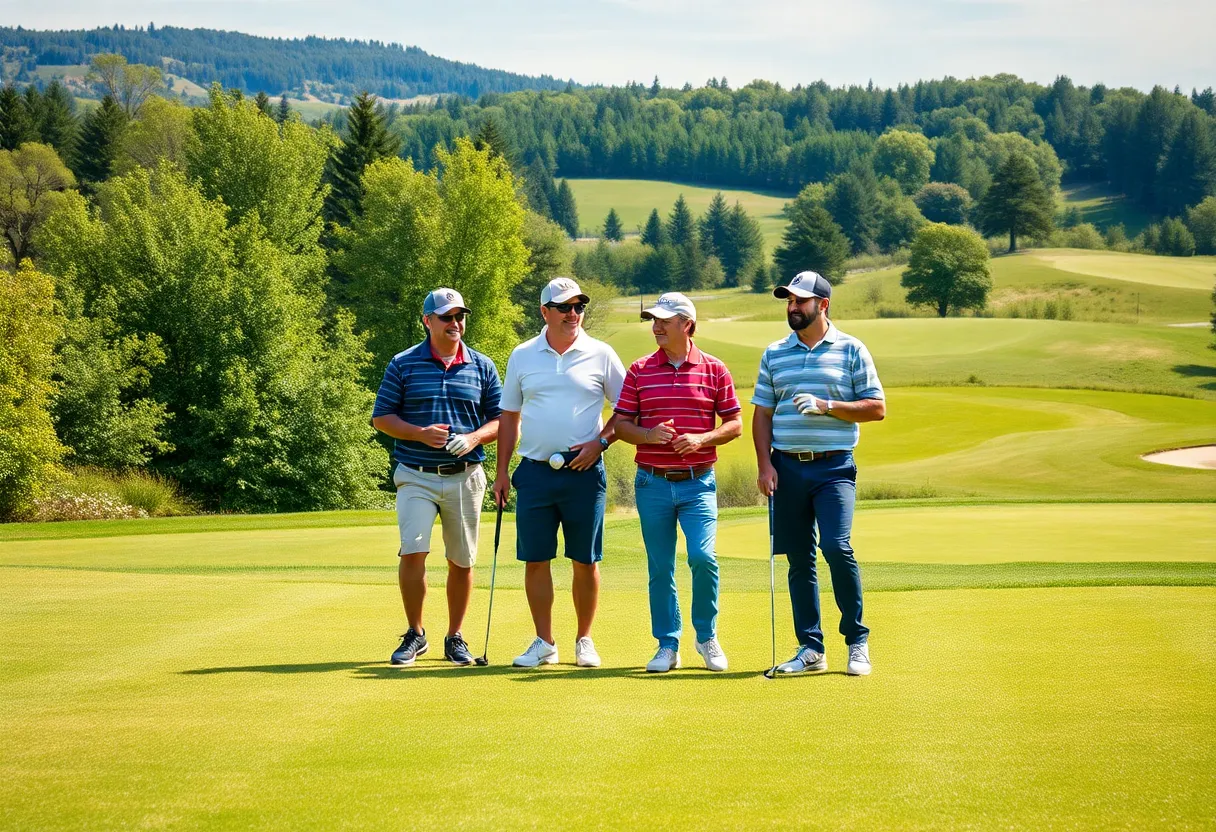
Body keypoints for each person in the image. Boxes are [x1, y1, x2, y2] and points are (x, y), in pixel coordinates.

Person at [751, 271, 886, 676]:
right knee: (799, 558)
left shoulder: (851, 349)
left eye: (800, 301)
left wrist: (828, 406)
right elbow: (762, 414)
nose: (792, 307)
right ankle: (811, 648)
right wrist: (764, 464)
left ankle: (857, 641)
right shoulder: (774, 353)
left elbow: (877, 407)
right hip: (787, 468)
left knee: (836, 546)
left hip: (834, 467)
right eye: (789, 301)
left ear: (822, 305)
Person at [493, 277, 626, 669]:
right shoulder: (522, 354)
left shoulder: (601, 353)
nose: (573, 314)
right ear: (544, 311)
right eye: (565, 307)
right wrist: (502, 472)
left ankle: (584, 640)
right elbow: (509, 415)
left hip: (584, 473)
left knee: (585, 560)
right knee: (536, 560)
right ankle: (544, 641)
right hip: (534, 472)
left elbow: (626, 408)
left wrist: (600, 442)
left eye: (579, 307)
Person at [372, 288, 502, 668]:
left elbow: (503, 420)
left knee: (461, 560)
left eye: (460, 316)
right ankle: (415, 633)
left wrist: (475, 437)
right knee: (413, 550)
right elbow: (382, 417)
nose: (455, 324)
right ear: (427, 321)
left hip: (466, 475)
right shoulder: (403, 364)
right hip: (415, 473)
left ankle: (455, 637)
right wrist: (420, 433)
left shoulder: (482, 366)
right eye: (446, 317)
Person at [613, 292, 741, 673]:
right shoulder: (639, 370)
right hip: (651, 483)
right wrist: (647, 435)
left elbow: (734, 423)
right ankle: (668, 644)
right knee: (661, 566)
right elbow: (621, 424)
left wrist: (702, 439)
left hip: (697, 483)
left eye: (664, 321)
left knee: (703, 558)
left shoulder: (715, 369)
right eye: (653, 321)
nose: (656, 327)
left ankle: (706, 636)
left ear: (686, 324)